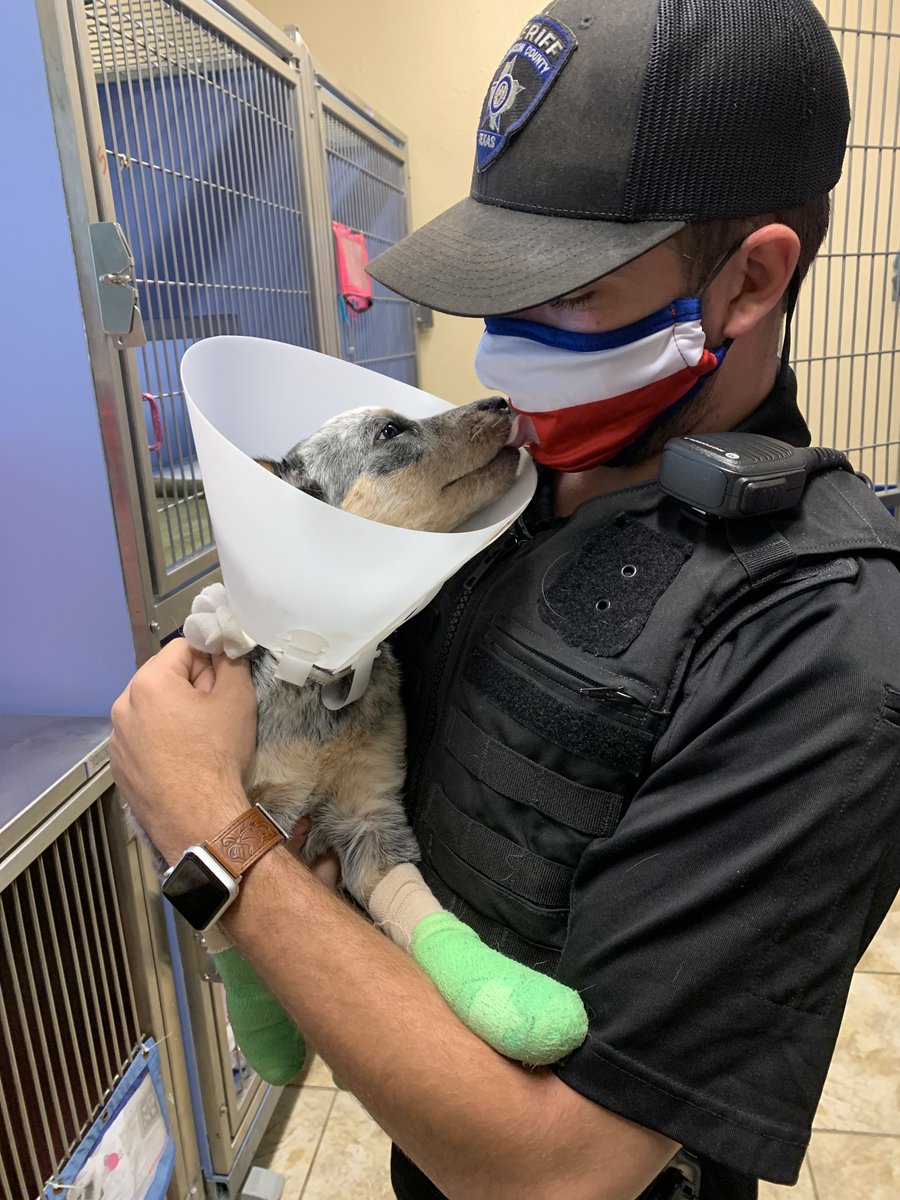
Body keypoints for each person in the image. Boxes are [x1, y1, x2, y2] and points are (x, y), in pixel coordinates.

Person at [110, 2, 900, 1197]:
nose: (503, 358)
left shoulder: (819, 638)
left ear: (750, 283)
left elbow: (560, 1174)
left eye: (565, 294)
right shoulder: (501, 494)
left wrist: (210, 835)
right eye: (497, 295)